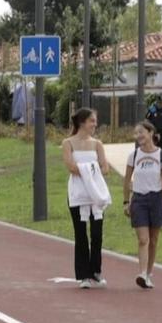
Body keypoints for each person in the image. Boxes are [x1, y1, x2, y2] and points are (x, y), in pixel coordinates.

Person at [121, 121, 162, 289]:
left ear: (151, 132)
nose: (138, 136)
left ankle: (148, 273)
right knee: (143, 239)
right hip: (139, 199)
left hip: (156, 198)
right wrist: (126, 201)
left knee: (153, 240)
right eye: (136, 133)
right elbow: (126, 180)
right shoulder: (133, 156)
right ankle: (142, 273)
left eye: (141, 132)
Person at [62, 107, 112, 287]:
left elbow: (105, 168)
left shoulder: (97, 144)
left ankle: (96, 271)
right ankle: (84, 275)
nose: (94, 124)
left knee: (97, 234)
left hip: (95, 194)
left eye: (95, 121)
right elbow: (71, 167)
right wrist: (91, 168)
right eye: (92, 121)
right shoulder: (68, 143)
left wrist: (91, 169)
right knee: (81, 233)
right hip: (77, 193)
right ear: (82, 122)